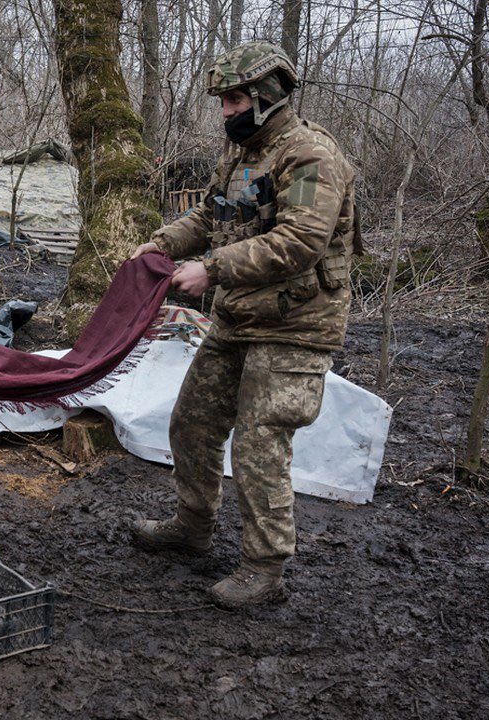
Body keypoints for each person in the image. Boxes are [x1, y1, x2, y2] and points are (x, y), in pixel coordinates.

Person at [128, 42, 358, 609]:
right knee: (192, 423)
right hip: (239, 316)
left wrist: (211, 269)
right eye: (223, 101)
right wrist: (162, 245)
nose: (225, 111)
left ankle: (263, 568)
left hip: (296, 326)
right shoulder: (242, 155)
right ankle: (192, 527)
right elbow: (211, 214)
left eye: (233, 100)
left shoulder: (310, 156)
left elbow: (300, 241)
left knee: (259, 444)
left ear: (266, 95)